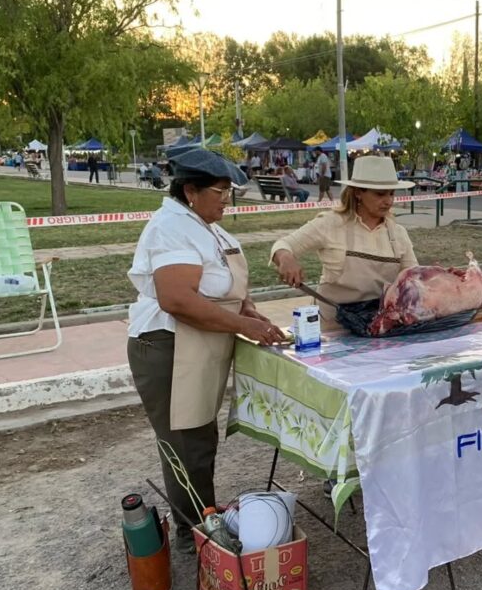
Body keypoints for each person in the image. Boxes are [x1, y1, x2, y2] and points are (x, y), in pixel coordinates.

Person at [126, 149, 285, 554]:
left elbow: (223, 285)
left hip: (201, 345)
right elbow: (177, 299)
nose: (227, 199)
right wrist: (243, 325)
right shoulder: (171, 227)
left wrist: (250, 311)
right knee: (185, 441)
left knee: (199, 437)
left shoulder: (205, 226)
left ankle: (203, 517)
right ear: (190, 190)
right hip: (170, 347)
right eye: (220, 191)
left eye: (229, 191)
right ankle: (193, 530)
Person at [271, 156, 419, 324]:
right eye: (380, 194)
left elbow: (414, 280)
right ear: (358, 193)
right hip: (332, 327)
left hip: (378, 327)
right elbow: (283, 244)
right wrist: (285, 258)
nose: (388, 201)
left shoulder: (398, 234)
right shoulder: (331, 223)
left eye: (392, 194)